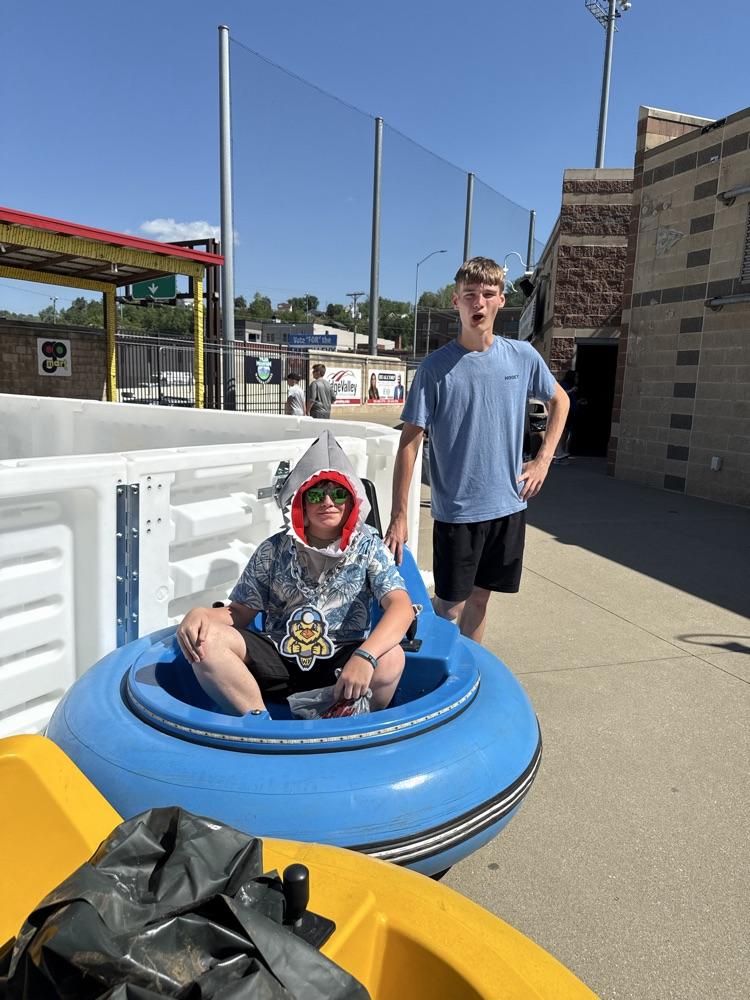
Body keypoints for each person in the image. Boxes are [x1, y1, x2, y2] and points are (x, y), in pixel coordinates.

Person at [384, 256, 569, 647]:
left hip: (508, 504)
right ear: (456, 302)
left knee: (481, 599)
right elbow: (410, 441)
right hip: (457, 511)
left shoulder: (522, 356)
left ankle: (469, 669)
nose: (479, 303)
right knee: (450, 605)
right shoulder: (435, 369)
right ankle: (424, 655)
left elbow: (560, 401)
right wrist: (400, 514)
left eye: (488, 294)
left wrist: (542, 460)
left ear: (502, 300)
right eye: (470, 295)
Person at [176, 430, 414, 716]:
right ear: (300, 500)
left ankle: (345, 726)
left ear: (352, 500)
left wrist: (365, 656)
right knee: (205, 642)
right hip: (278, 656)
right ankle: (261, 727)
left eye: (338, 493)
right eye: (316, 493)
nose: (328, 502)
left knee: (391, 658)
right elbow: (239, 613)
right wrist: (200, 614)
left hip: (343, 663)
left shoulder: (369, 547)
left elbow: (401, 607)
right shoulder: (272, 549)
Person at [554, 370, 579, 463]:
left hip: (571, 412)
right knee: (562, 432)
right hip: (565, 412)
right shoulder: (564, 385)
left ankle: (561, 454)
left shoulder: (571, 387)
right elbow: (560, 394)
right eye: (576, 377)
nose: (577, 379)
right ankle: (559, 452)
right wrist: (571, 390)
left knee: (566, 433)